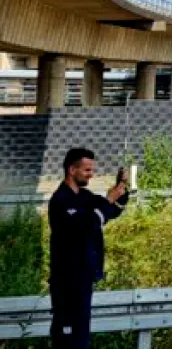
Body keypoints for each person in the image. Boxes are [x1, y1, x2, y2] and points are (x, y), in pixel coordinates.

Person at [48, 148, 128, 348]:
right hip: (66, 282)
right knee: (68, 338)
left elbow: (107, 211)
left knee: (82, 337)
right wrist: (107, 202)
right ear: (71, 170)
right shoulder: (59, 201)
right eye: (86, 170)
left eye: (92, 170)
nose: (91, 175)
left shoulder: (85, 197)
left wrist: (120, 192)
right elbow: (83, 226)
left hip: (84, 277)